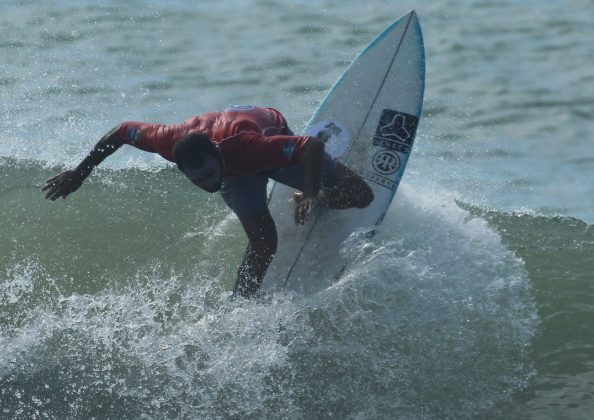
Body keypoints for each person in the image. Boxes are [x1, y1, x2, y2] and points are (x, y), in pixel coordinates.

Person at [42, 105, 373, 297]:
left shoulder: (246, 145)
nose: (209, 185)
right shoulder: (166, 142)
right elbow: (121, 130)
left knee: (360, 196)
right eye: (199, 181)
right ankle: (241, 305)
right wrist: (79, 173)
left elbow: (311, 148)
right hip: (235, 170)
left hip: (264, 141)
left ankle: (308, 191)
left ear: (216, 154)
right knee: (263, 243)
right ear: (179, 166)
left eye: (211, 175)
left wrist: (312, 192)